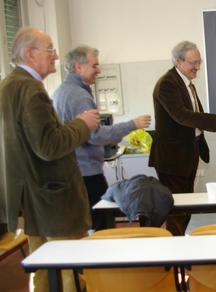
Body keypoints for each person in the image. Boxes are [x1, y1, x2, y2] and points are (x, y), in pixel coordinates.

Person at [0, 28, 100, 292]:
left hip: (32, 197)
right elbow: (49, 146)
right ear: (30, 53)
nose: (55, 55)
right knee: (69, 268)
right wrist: (81, 124)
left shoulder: (4, 87)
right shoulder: (31, 90)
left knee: (42, 266)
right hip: (53, 197)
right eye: (49, 49)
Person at [52, 45, 151, 231]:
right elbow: (95, 136)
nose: (98, 71)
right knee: (102, 226)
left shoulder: (61, 92)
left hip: (74, 170)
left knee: (86, 224)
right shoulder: (79, 96)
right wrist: (133, 124)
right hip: (86, 173)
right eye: (94, 66)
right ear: (78, 67)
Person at [149, 41, 216, 235]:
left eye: (199, 62)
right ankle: (176, 253)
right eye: (194, 63)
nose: (198, 67)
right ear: (179, 61)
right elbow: (182, 116)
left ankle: (180, 245)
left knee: (185, 206)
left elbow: (194, 115)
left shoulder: (185, 83)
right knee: (176, 209)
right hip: (172, 157)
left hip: (187, 153)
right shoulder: (167, 83)